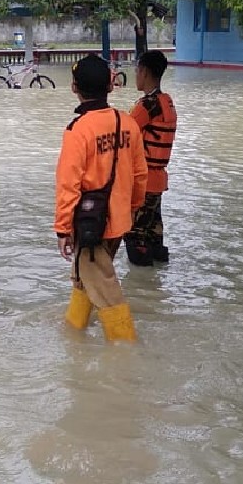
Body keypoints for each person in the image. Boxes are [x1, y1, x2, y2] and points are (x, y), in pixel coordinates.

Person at [55, 54, 147, 342]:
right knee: (86, 278)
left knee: (106, 289)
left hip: (90, 225)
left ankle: (126, 354)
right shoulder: (128, 122)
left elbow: (68, 185)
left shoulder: (78, 130)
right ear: (110, 86)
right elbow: (140, 175)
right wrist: (129, 209)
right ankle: (73, 336)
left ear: (74, 88)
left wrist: (62, 229)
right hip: (118, 220)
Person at [123, 50, 177, 266]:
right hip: (157, 182)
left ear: (143, 71)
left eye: (136, 70)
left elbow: (124, 133)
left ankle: (139, 294)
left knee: (135, 239)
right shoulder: (167, 102)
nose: (135, 74)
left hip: (143, 182)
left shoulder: (147, 105)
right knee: (154, 239)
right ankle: (154, 292)